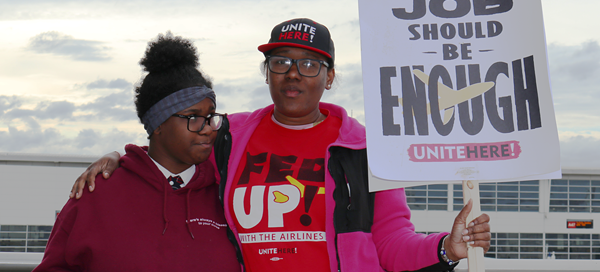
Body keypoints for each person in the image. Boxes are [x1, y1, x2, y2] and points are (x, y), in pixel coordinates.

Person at [71, 19, 491, 272]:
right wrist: (119, 158)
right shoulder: (229, 137)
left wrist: (444, 247)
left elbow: (390, 241)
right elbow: (173, 150)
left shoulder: (366, 149)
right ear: (267, 73)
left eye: (309, 63)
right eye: (280, 62)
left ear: (328, 77)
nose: (293, 73)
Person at [36, 33, 240, 272]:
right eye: (193, 117)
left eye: (209, 117)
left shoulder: (226, 194)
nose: (207, 129)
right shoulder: (96, 195)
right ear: (158, 124)